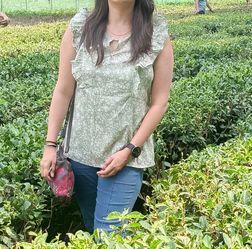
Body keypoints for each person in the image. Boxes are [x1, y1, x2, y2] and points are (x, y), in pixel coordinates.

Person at [40, 0, 173, 234]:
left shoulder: (156, 33)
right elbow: (63, 90)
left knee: (109, 236)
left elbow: (160, 102)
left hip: (126, 158)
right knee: (95, 231)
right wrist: (50, 145)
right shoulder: (80, 28)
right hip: (81, 156)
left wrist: (130, 149)